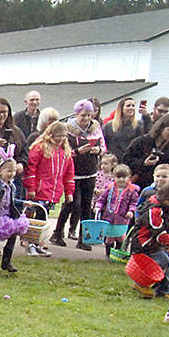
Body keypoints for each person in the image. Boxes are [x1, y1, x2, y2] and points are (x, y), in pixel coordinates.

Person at [53, 100, 104, 249]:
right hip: (73, 172)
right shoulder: (67, 130)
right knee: (72, 203)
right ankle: (57, 233)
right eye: (83, 115)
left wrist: (98, 150)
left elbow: (103, 146)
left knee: (86, 206)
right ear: (76, 114)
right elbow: (63, 152)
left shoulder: (95, 127)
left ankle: (84, 238)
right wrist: (77, 152)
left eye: (89, 115)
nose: (86, 119)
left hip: (90, 171)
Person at [24, 120, 74, 257]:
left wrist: (69, 192)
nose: (61, 139)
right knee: (37, 219)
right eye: (59, 136)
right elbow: (31, 168)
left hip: (53, 192)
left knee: (44, 219)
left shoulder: (65, 152)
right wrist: (31, 187)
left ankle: (38, 243)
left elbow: (69, 174)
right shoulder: (40, 148)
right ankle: (31, 244)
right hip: (40, 191)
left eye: (64, 136)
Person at [130, 181, 169, 302]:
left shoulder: (162, 207)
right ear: (168, 200)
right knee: (163, 259)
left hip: (153, 245)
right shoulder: (154, 211)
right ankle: (140, 283)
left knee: (167, 264)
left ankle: (162, 291)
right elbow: (158, 233)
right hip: (143, 245)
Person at [123, 113, 169, 188]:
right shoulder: (142, 141)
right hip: (138, 185)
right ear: (161, 128)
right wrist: (143, 163)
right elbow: (126, 160)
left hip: (161, 187)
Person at [95, 164, 138, 257]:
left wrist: (131, 211)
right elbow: (102, 199)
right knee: (109, 238)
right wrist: (98, 206)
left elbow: (134, 203)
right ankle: (108, 254)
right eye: (118, 177)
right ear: (114, 177)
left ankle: (117, 254)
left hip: (122, 218)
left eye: (124, 177)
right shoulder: (110, 188)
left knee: (120, 237)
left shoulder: (132, 191)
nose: (121, 179)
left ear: (129, 177)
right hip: (109, 218)